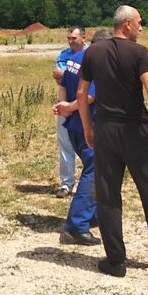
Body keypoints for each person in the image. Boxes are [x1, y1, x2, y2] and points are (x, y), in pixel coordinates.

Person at [77, 5, 148, 277]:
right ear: (126, 24)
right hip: (135, 130)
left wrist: (88, 127)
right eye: (139, 23)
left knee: (108, 193)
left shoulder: (93, 51)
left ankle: (115, 260)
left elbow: (81, 93)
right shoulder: (138, 52)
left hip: (105, 129)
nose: (141, 27)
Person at [52, 29, 111, 246]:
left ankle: (91, 215)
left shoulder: (73, 59)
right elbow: (90, 95)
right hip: (88, 124)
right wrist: (70, 107)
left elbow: (63, 85)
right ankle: (76, 226)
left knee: (94, 169)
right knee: (94, 169)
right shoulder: (94, 61)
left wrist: (65, 108)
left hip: (73, 124)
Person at [52, 26, 87, 198]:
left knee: (87, 145)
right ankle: (66, 183)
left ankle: (88, 183)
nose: (70, 41)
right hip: (65, 104)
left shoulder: (90, 55)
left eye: (74, 38)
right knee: (65, 145)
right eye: (69, 38)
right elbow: (57, 75)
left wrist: (67, 72)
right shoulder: (63, 54)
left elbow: (64, 74)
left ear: (83, 38)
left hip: (84, 106)